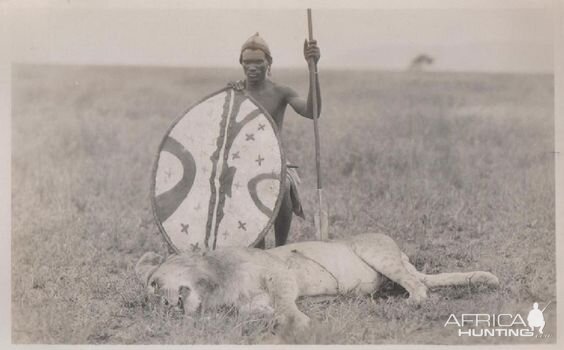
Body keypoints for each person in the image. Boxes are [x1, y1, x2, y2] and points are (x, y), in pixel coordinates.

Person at [229, 32, 321, 248]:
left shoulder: (281, 92)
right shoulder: (235, 92)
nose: (252, 67)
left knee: (282, 186)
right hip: (242, 162)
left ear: (269, 62)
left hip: (276, 161)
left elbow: (312, 111)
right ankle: (256, 246)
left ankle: (281, 248)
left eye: (258, 62)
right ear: (241, 63)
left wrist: (312, 69)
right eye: (247, 62)